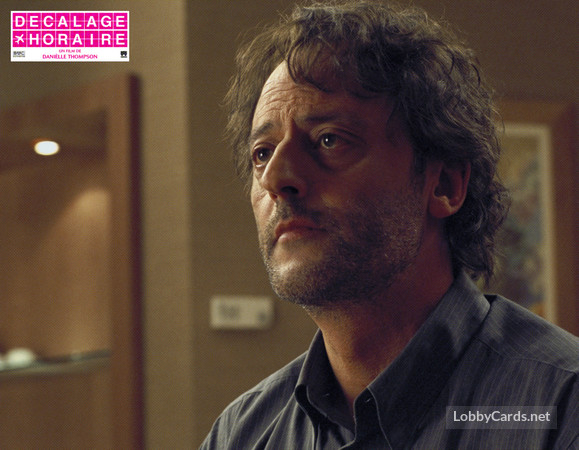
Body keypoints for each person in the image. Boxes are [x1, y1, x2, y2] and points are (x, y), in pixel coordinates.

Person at [201, 1, 579, 448]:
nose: (275, 178)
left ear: (444, 185)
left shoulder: (561, 406)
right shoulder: (241, 433)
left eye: (329, 140)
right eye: (262, 152)